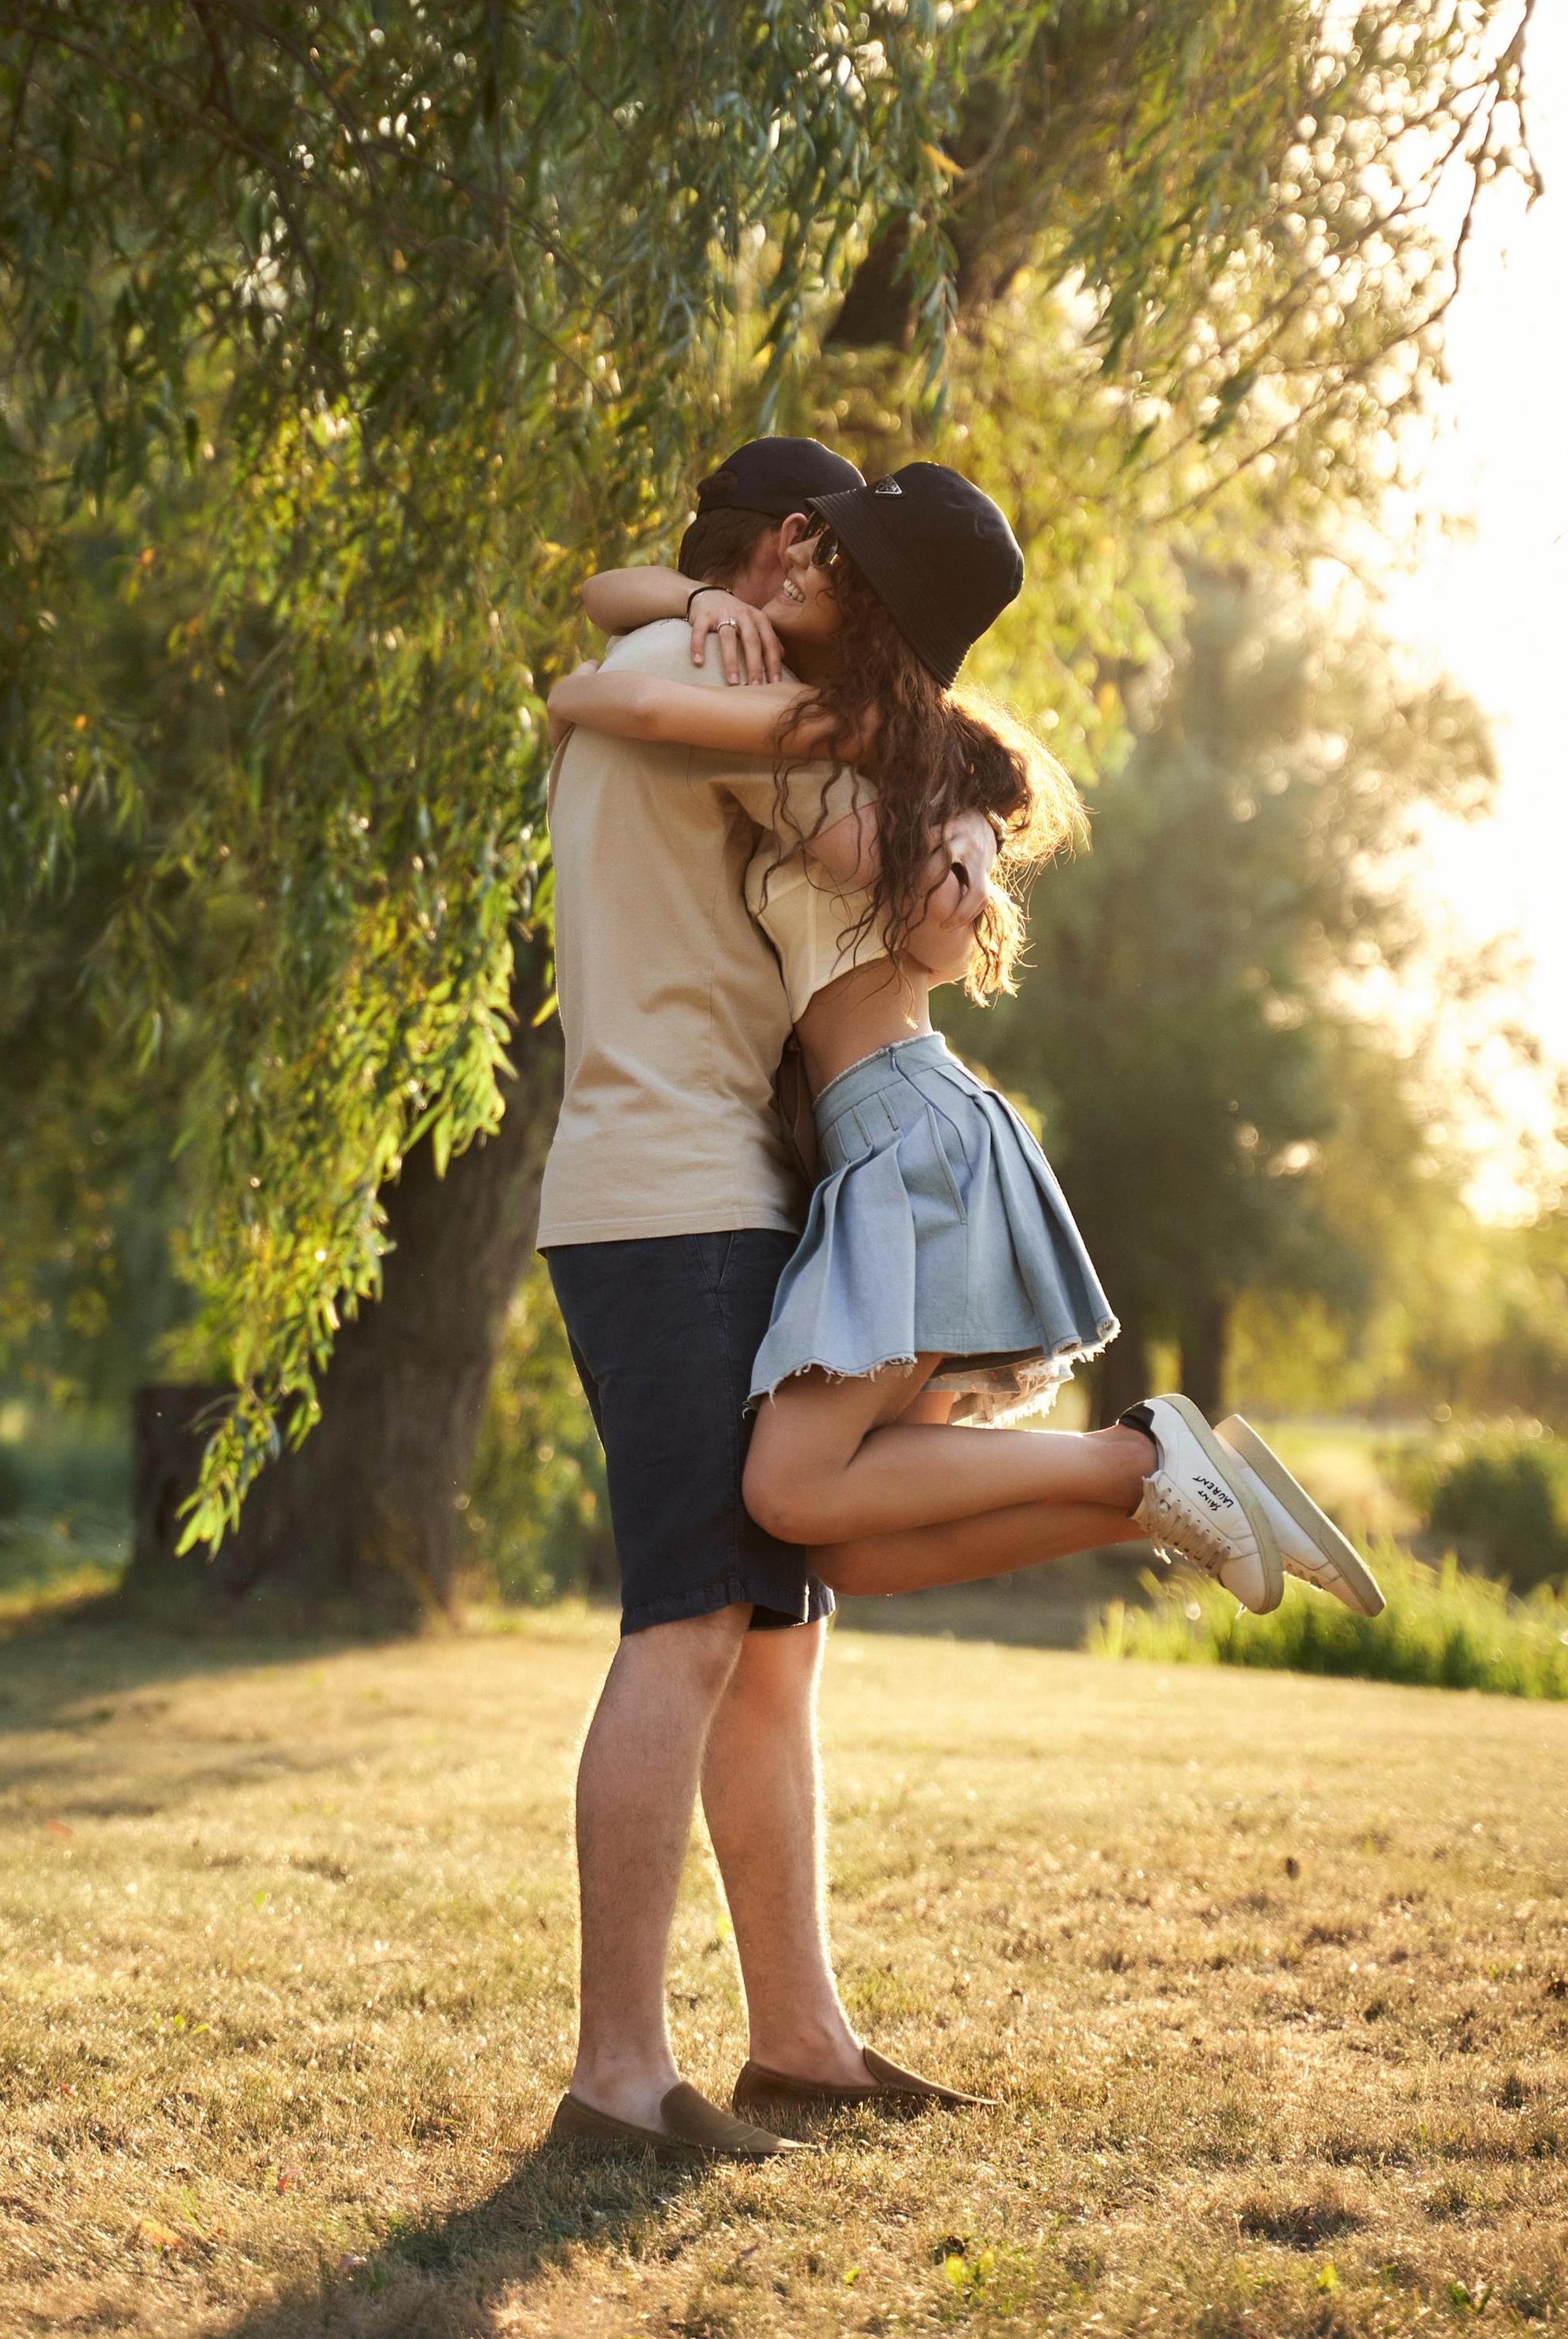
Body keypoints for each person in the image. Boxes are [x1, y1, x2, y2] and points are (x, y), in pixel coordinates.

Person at [550, 466, 1387, 1634]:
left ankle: (1133, 1454)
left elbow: (644, 713)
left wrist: (570, 697)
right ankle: (1162, 1495)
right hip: (890, 1143)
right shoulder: (876, 738)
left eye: (828, 559)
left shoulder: (847, 751)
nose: (796, 558)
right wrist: (690, 605)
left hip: (909, 1143)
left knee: (789, 1487)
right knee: (849, 1542)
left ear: (874, 605)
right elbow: (613, 594)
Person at [536, 436, 993, 2169]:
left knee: (776, 1649)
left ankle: (798, 2038)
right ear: (788, 554)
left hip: (679, 1199)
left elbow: (612, 627)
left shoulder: (657, 660)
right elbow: (915, 893)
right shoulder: (726, 705)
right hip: (677, 1211)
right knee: (688, 1627)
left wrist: (657, 604)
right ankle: (615, 2071)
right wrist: (945, 811)